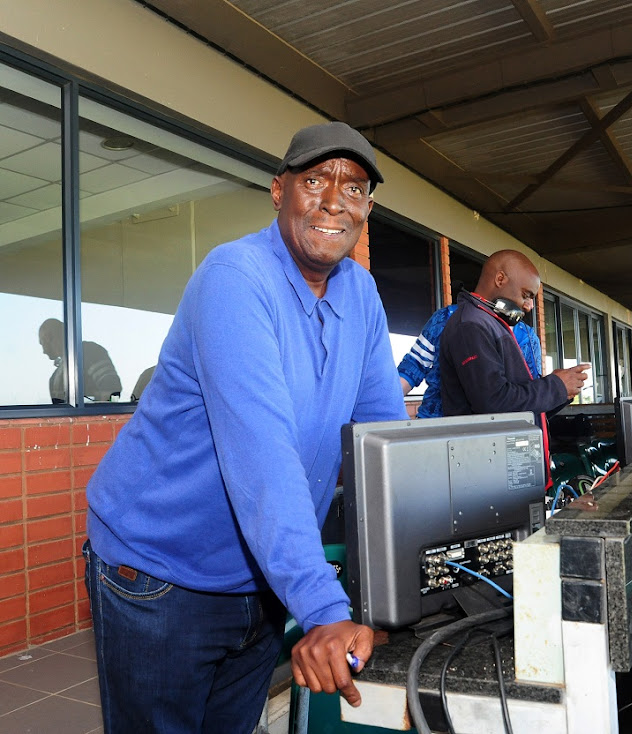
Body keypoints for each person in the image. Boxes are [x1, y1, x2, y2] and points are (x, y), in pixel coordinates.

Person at [83, 121, 408, 733]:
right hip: (158, 569)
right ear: (278, 191)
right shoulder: (235, 276)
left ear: (367, 208)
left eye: (355, 188)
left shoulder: (361, 292)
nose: (334, 201)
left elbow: (381, 440)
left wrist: (397, 590)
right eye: (315, 181)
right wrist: (324, 610)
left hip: (259, 577)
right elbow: (263, 455)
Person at [439, 250, 589, 487]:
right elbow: (494, 403)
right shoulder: (471, 325)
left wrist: (562, 392)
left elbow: (518, 405)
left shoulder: (489, 322)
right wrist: (556, 386)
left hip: (508, 473)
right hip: (490, 478)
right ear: (500, 279)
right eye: (526, 295)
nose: (529, 306)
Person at [398, 300, 542, 419]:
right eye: (525, 294)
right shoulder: (445, 318)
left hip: (497, 434)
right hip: (434, 426)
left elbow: (529, 392)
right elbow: (414, 366)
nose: (530, 306)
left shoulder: (528, 338)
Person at [38, 318, 122, 403]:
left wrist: (93, 413)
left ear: (48, 338)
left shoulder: (88, 351)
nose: (43, 351)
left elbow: (111, 387)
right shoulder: (54, 378)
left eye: (42, 343)